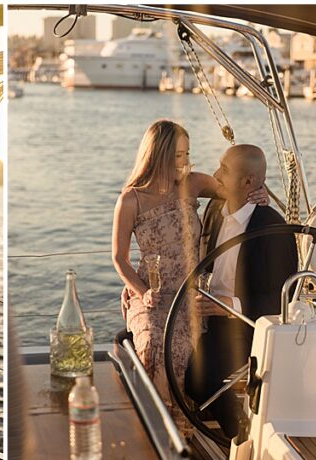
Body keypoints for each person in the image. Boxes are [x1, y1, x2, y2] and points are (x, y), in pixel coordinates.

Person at [112, 120, 266, 435]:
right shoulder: (131, 199)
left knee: (182, 350)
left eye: (187, 153)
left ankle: (178, 426)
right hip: (153, 292)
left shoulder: (193, 184)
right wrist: (140, 292)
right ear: (158, 155)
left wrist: (259, 192)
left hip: (191, 293)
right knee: (157, 345)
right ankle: (158, 427)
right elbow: (119, 258)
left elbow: (236, 186)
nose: (185, 161)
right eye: (178, 155)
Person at [185, 144, 297, 438]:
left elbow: (283, 296)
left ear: (248, 182)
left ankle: (241, 439)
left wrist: (231, 305)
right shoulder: (214, 211)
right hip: (205, 314)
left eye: (224, 169)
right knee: (130, 340)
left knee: (198, 378)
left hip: (243, 325)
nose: (216, 174)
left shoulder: (271, 226)